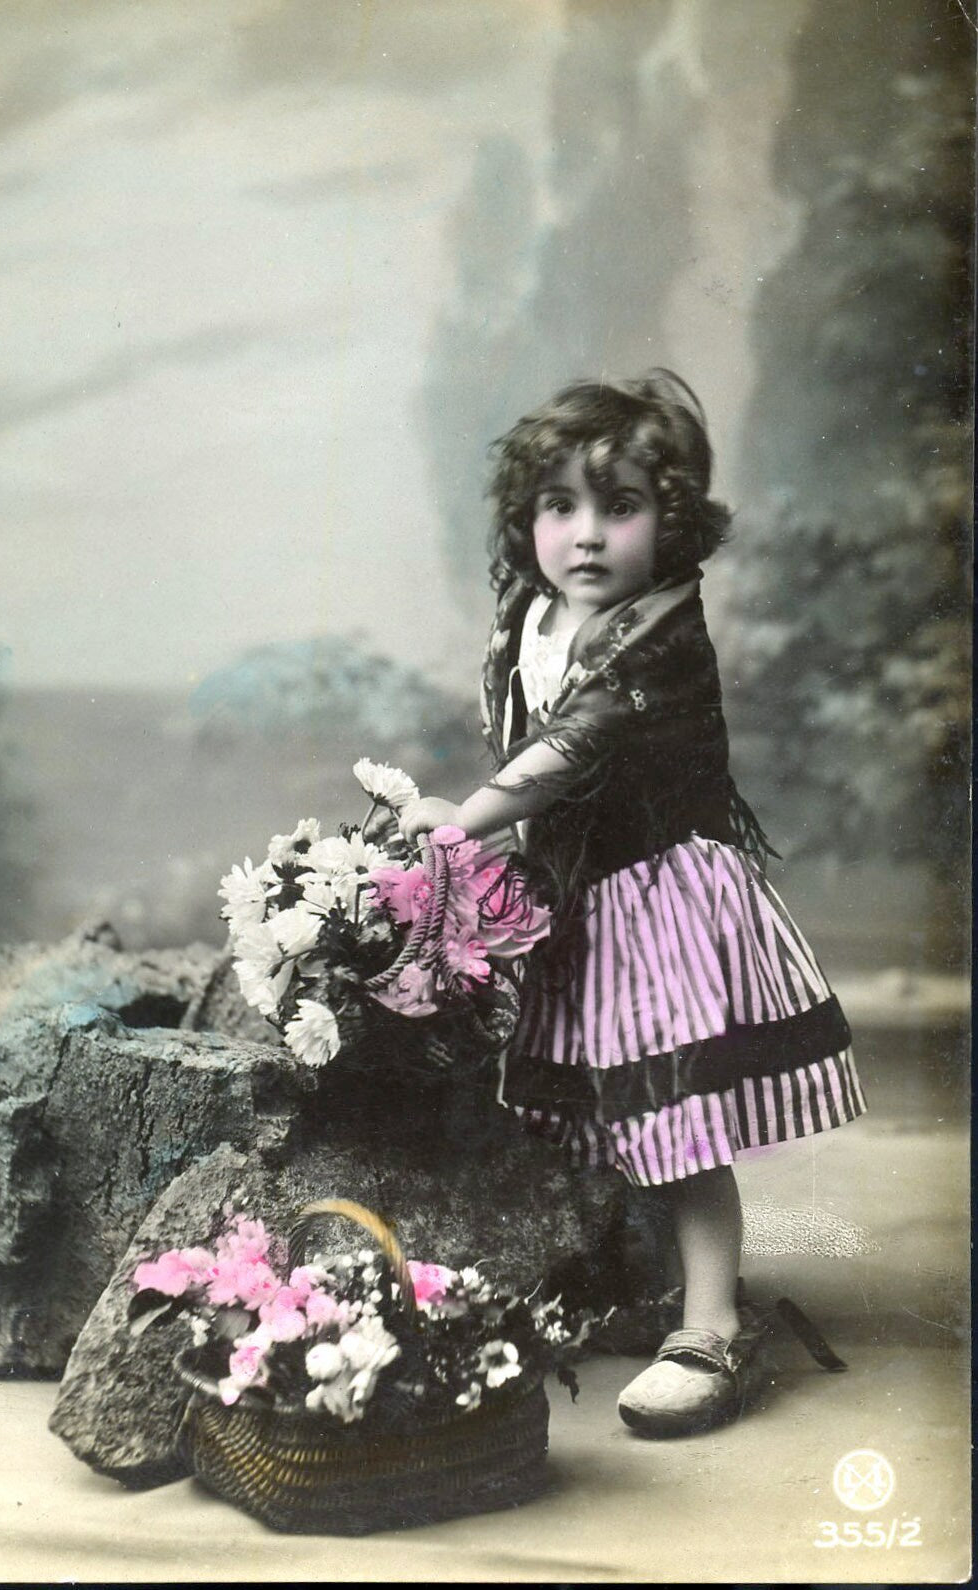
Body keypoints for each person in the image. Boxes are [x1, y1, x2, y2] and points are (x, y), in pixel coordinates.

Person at [393, 371, 865, 1436]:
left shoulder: (660, 634)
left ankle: (710, 1321)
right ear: (527, 524)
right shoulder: (533, 616)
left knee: (677, 1119)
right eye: (559, 506)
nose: (587, 535)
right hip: (586, 898)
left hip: (657, 898)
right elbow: (517, 741)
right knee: (615, 1112)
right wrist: (476, 833)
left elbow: (567, 747)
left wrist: (464, 822)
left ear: (673, 522)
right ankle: (646, 1279)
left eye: (620, 507)